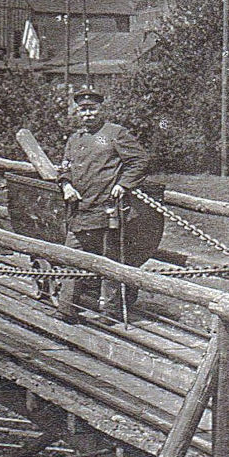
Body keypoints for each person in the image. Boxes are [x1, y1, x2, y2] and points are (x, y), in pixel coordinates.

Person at [56, 85, 148, 323]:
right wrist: (66, 185)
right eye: (83, 110)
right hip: (80, 212)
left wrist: (124, 185)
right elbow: (64, 168)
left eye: (92, 109)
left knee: (109, 262)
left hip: (108, 211)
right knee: (71, 259)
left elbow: (139, 161)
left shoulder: (115, 133)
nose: (88, 114)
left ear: (101, 109)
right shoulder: (74, 139)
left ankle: (109, 313)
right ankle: (66, 309)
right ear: (77, 112)